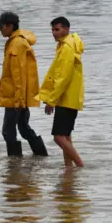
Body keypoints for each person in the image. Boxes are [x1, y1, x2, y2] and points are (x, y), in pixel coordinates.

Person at [0, 12, 48, 157]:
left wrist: (18, 99)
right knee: (23, 127)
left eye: (1, 27)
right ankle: (41, 156)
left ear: (10, 26)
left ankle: (15, 164)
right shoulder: (17, 41)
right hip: (19, 95)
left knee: (8, 132)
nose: (0, 30)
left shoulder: (16, 44)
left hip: (15, 97)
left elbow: (18, 76)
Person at [40, 17, 84, 168]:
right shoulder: (66, 45)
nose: (54, 33)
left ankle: (79, 165)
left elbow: (63, 78)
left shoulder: (67, 47)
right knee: (66, 136)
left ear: (66, 29)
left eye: (57, 29)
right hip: (70, 98)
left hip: (66, 98)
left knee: (58, 137)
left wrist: (51, 100)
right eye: (52, 30)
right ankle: (69, 169)